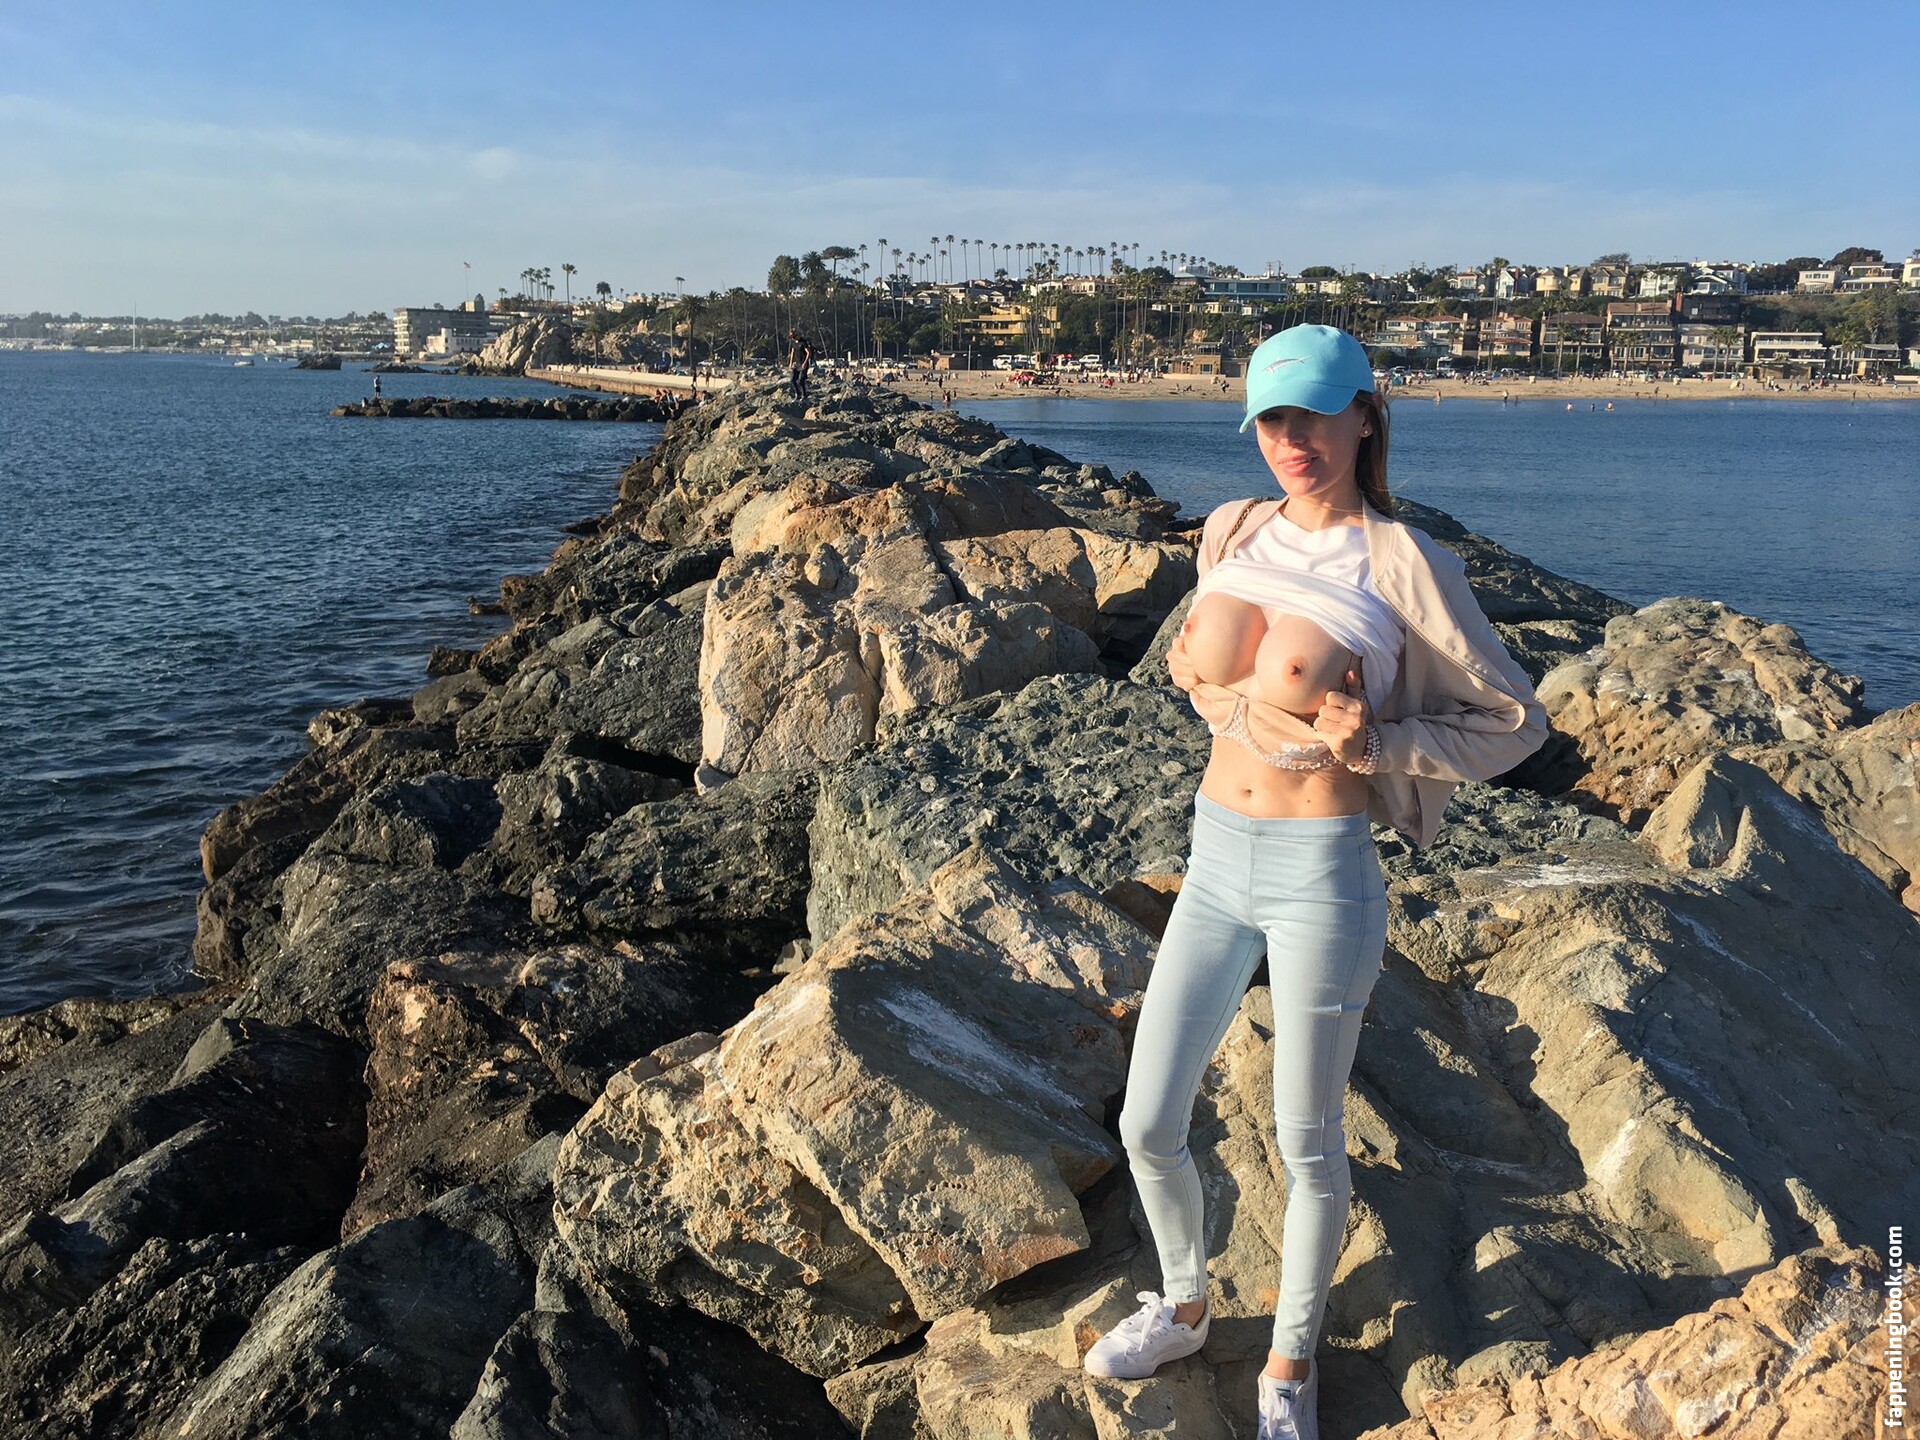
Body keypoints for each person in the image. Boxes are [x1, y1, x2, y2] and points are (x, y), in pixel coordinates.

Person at [1079, 325, 1547, 1440]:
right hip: (1213, 856)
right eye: (1273, 420)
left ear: (1366, 416)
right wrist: (1209, 685)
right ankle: (1184, 1305)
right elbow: (1230, 687)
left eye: (1316, 416)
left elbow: (1515, 722)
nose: (1293, 440)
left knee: (1307, 1140)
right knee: (1147, 1120)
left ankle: (1289, 1368)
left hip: (1321, 875)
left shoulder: (1405, 562)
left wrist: (1379, 743)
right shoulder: (1233, 529)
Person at [786, 329, 814, 402]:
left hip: (803, 363)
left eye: (793, 336)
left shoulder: (803, 342)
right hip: (796, 363)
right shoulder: (793, 343)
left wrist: (805, 362)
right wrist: (790, 363)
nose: (792, 338)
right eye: (791, 337)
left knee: (801, 380)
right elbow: (792, 353)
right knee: (793, 380)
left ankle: (804, 395)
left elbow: (808, 353)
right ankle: (797, 394)